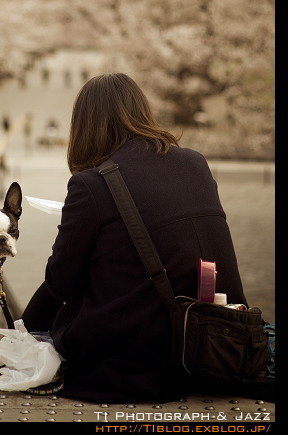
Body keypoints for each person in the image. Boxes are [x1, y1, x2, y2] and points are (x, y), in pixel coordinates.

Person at [21, 73, 247, 403]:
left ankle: (15, 339)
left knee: (49, 303)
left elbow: (63, 284)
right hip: (212, 339)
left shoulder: (91, 184)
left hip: (138, 355)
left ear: (84, 126)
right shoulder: (195, 162)